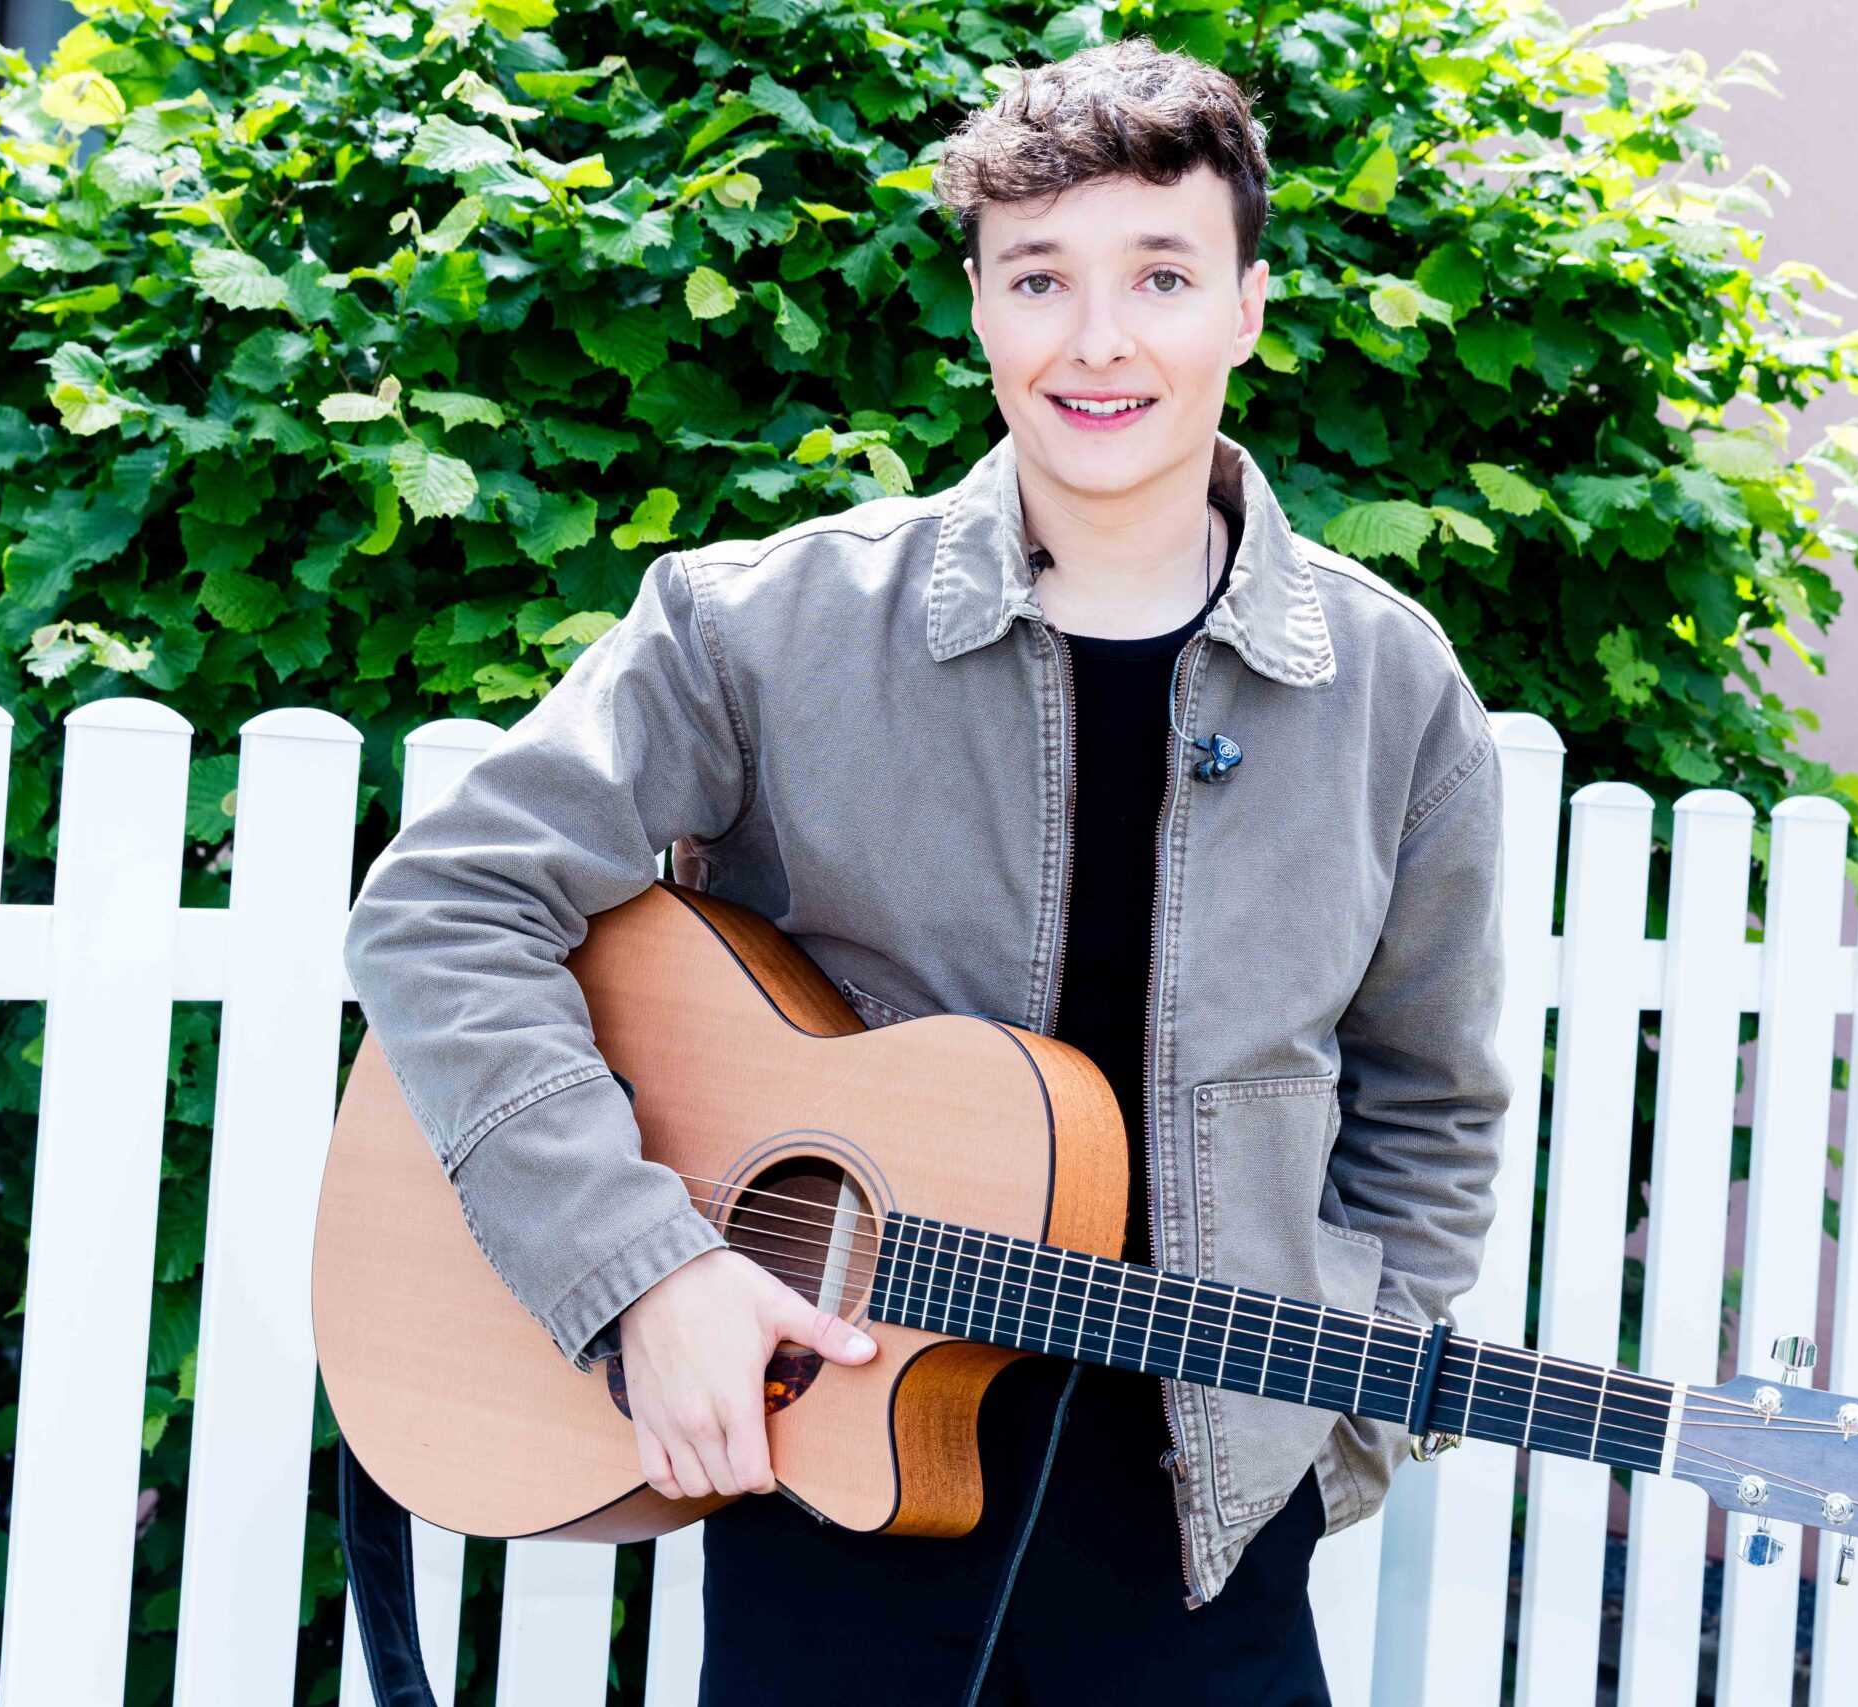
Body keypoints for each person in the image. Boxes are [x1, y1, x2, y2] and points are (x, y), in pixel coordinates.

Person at [337, 37, 1510, 1707]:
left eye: (1162, 276)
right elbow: (447, 907)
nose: (1098, 340)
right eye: (1040, 278)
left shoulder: (1395, 695)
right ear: (977, 306)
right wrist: (641, 1267)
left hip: (1209, 1541)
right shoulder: (762, 627)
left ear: (1249, 308)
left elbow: (1430, 1109)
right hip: (829, 1492)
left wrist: (1336, 1438)